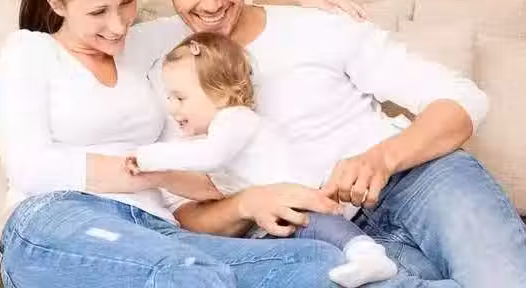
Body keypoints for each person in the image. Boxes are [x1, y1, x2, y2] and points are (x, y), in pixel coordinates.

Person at [122, 0, 526, 288]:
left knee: (509, 280)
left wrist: (382, 159)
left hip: (416, 180)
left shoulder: (316, 27)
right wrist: (246, 205)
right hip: (318, 232)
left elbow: (462, 99)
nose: (212, 2)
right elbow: (185, 211)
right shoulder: (163, 70)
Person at [0, 0, 370, 288]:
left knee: (320, 263)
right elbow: (30, 166)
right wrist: (149, 170)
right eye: (97, 13)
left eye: (126, 2)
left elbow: (214, 17)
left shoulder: (142, 45)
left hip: (154, 228)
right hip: (58, 217)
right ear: (57, 5)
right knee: (186, 273)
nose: (118, 25)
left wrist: (290, 0)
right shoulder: (30, 51)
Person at [127, 31, 398, 287]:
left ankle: (368, 253)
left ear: (220, 94)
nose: (171, 108)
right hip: (276, 215)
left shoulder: (234, 120)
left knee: (318, 225)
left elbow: (209, 157)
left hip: (303, 199)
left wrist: (148, 156)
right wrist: (159, 178)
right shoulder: (215, 138)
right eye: (169, 97)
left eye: (180, 98)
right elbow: (208, 189)